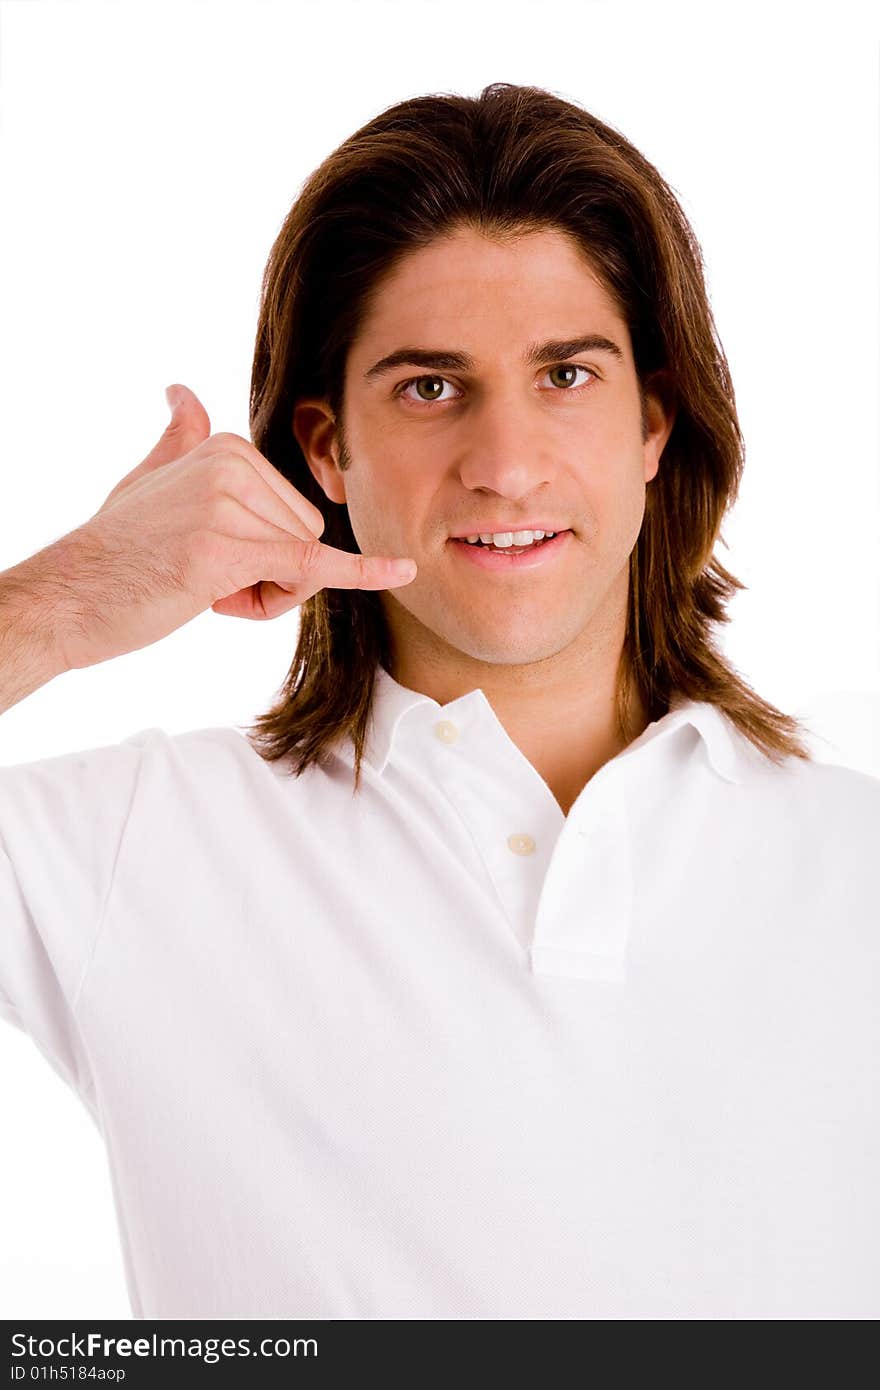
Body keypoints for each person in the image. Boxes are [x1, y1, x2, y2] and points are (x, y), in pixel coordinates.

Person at [1, 82, 877, 1321]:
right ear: (325, 449)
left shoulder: (855, 858)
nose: (505, 463)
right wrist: (61, 603)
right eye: (428, 388)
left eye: (566, 374)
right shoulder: (128, 847)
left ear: (652, 424)